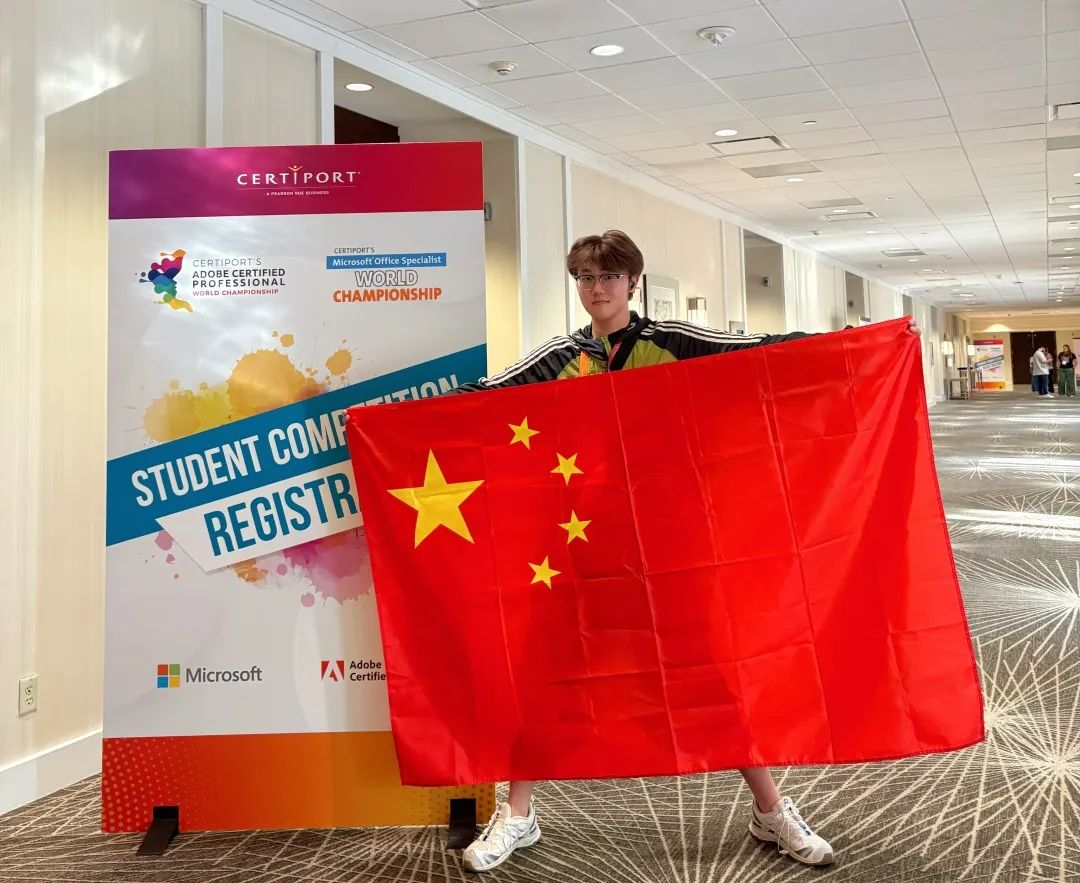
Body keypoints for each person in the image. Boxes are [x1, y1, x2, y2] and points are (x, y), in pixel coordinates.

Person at [453, 229, 920, 874]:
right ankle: (518, 813)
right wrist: (385, 421)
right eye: (585, 277)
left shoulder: (671, 342)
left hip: (666, 544)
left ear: (632, 282)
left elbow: (760, 353)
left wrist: (854, 344)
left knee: (707, 677)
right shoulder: (561, 357)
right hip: (578, 542)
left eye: (608, 277)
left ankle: (771, 810)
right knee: (542, 673)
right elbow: (483, 397)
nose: (596, 289)